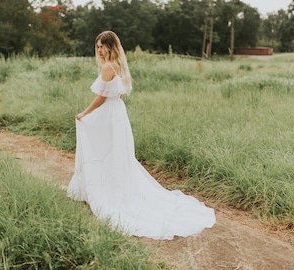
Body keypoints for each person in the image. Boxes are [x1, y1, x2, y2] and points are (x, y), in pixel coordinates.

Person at [67, 31, 215, 240]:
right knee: (113, 151)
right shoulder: (118, 65)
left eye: (102, 46)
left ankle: (108, 191)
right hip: (116, 113)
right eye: (97, 46)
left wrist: (84, 113)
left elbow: (101, 97)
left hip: (110, 114)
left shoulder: (109, 67)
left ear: (110, 47)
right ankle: (107, 184)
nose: (99, 50)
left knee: (105, 149)